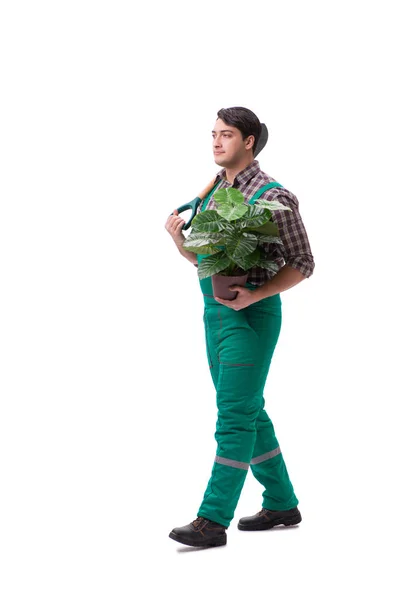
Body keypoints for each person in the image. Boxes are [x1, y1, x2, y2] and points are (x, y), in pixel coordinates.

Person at [165, 106, 315, 548]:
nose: (215, 142)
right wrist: (181, 244)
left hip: (251, 317)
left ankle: (213, 520)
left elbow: (305, 264)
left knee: (233, 415)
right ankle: (282, 503)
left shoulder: (275, 196)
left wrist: (256, 294)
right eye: (213, 134)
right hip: (213, 312)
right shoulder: (215, 190)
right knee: (248, 410)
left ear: (249, 141)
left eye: (226, 135)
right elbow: (206, 259)